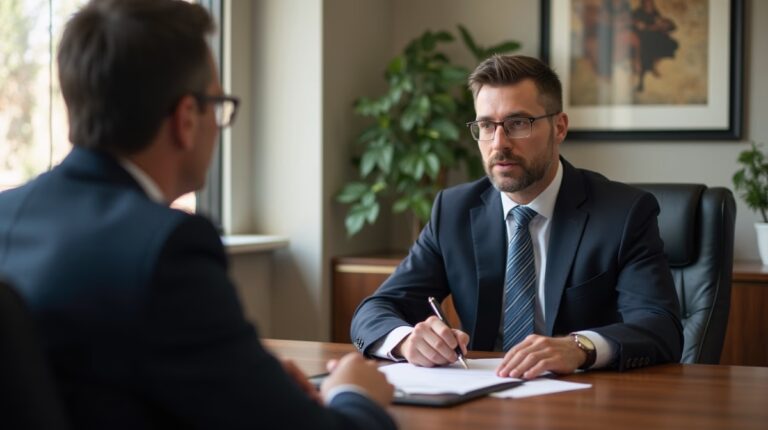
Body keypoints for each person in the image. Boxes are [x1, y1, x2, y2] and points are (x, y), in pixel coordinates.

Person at [0, 0, 395, 428]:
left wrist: (249, 383)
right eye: (218, 104)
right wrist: (356, 395)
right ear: (187, 119)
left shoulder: (7, 213)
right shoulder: (165, 251)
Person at [350, 55, 683, 379]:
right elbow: (374, 311)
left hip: (584, 399)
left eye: (518, 124)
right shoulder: (453, 211)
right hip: (480, 394)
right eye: (485, 125)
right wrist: (407, 341)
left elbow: (660, 326)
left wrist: (579, 347)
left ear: (560, 127)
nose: (499, 143)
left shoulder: (623, 213)